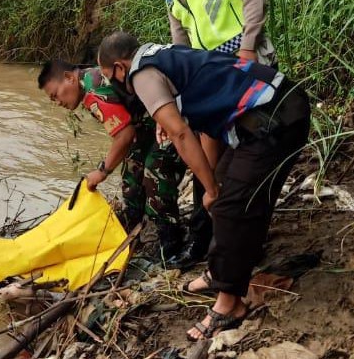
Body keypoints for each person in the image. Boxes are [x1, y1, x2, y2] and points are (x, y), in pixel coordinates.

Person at [97, 32, 310, 341]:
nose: (114, 85)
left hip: (275, 117)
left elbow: (181, 135)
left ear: (120, 66)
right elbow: (200, 123)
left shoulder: (142, 73)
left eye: (109, 77)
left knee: (230, 206)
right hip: (268, 114)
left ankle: (228, 306)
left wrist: (212, 190)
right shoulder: (162, 56)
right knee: (231, 194)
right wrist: (211, 181)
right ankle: (221, 272)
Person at [125, 0, 277, 268]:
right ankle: (204, 241)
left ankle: (232, 241)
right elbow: (181, 57)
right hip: (213, 84)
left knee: (249, 156)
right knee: (206, 166)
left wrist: (248, 49)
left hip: (244, 71)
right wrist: (176, 107)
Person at [38, 59, 186, 259]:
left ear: (68, 78)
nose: (58, 102)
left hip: (172, 119)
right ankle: (133, 219)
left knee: (155, 169)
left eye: (55, 95)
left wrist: (103, 171)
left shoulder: (93, 92)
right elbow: (128, 132)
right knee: (132, 165)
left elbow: (124, 135)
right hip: (149, 123)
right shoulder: (90, 79)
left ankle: (169, 238)